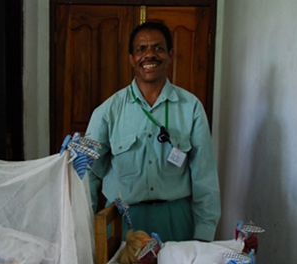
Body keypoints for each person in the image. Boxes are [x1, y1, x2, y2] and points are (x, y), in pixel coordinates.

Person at [86, 21, 220, 242]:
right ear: (131, 58)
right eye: (141, 49)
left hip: (175, 220)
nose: (149, 55)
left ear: (170, 55)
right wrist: (84, 230)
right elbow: (89, 174)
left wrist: (204, 233)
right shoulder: (108, 111)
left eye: (158, 48)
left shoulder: (190, 107)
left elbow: (204, 176)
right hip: (122, 223)